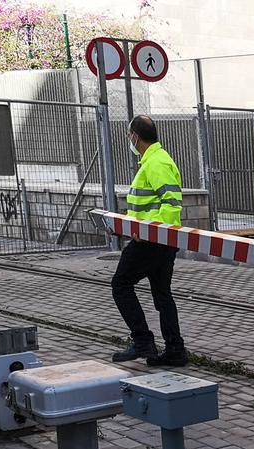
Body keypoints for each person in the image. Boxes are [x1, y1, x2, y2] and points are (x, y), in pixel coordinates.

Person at [111, 115, 188, 367]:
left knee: (121, 284)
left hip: (151, 241)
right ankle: (175, 350)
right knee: (162, 294)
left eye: (129, 136)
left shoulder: (156, 163)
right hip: (159, 239)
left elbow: (171, 203)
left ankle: (143, 340)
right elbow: (150, 203)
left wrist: (147, 230)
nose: (128, 140)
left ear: (135, 136)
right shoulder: (154, 160)